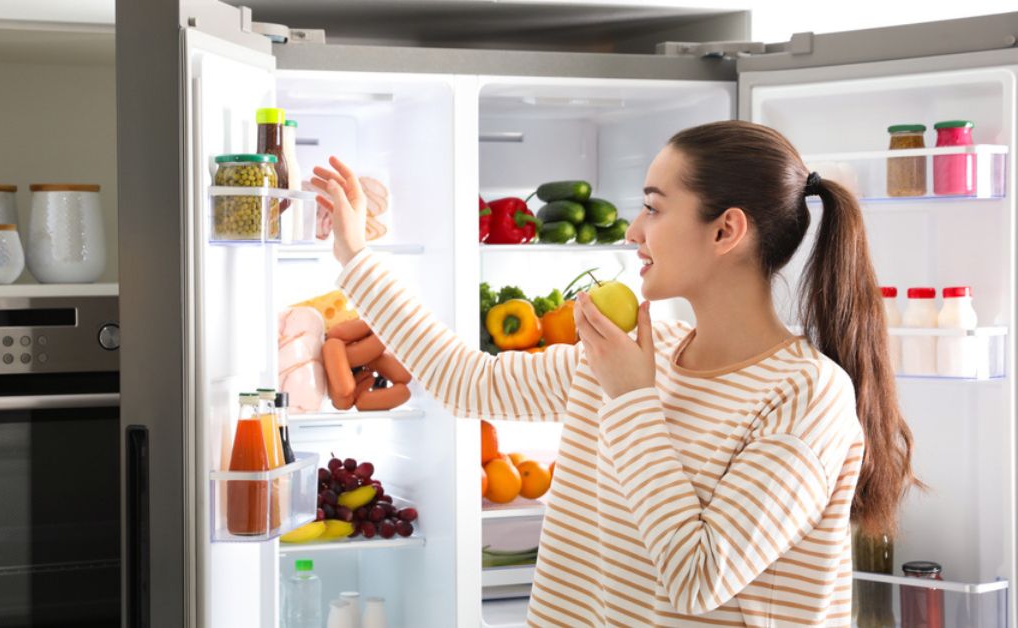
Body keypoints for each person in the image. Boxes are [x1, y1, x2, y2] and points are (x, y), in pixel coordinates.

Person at [311, 120, 915, 627]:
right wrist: (354, 256)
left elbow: (696, 577)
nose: (632, 231)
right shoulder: (641, 353)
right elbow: (465, 382)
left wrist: (632, 397)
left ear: (726, 230)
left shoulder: (806, 397)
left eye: (653, 207)